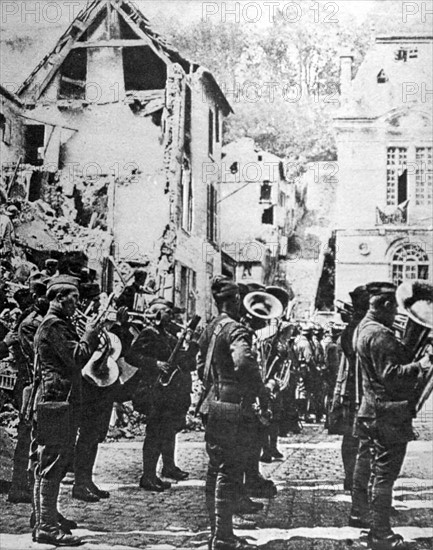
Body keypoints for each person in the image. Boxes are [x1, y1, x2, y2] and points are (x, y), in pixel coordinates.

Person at [351, 282, 432, 550]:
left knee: (378, 474)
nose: (397, 312)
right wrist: (421, 365)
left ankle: (376, 529)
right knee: (385, 477)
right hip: (387, 415)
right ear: (385, 305)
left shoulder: (364, 328)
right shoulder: (380, 334)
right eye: (395, 307)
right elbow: (392, 376)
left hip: (374, 411)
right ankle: (381, 535)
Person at [197, 276, 269, 550]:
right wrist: (262, 391)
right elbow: (245, 365)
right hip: (232, 406)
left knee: (215, 470)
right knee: (228, 471)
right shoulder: (237, 330)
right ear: (235, 300)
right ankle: (223, 538)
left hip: (212, 403)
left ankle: (218, 532)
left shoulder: (210, 328)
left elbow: (200, 364)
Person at [31, 275, 100, 546]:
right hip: (57, 401)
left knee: (50, 461)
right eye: (73, 297)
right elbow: (77, 357)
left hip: (56, 399)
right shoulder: (54, 326)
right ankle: (46, 526)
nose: (77, 302)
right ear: (59, 298)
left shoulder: (56, 325)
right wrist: (91, 333)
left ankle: (44, 519)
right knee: (52, 462)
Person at [125, 298, 196, 491]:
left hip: (169, 390)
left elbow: (184, 362)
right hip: (153, 389)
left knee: (168, 428)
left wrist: (193, 347)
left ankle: (168, 467)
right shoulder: (149, 333)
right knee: (154, 432)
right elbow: (130, 356)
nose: (171, 315)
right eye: (167, 311)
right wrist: (154, 364)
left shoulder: (170, 335)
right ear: (156, 314)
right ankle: (147, 475)